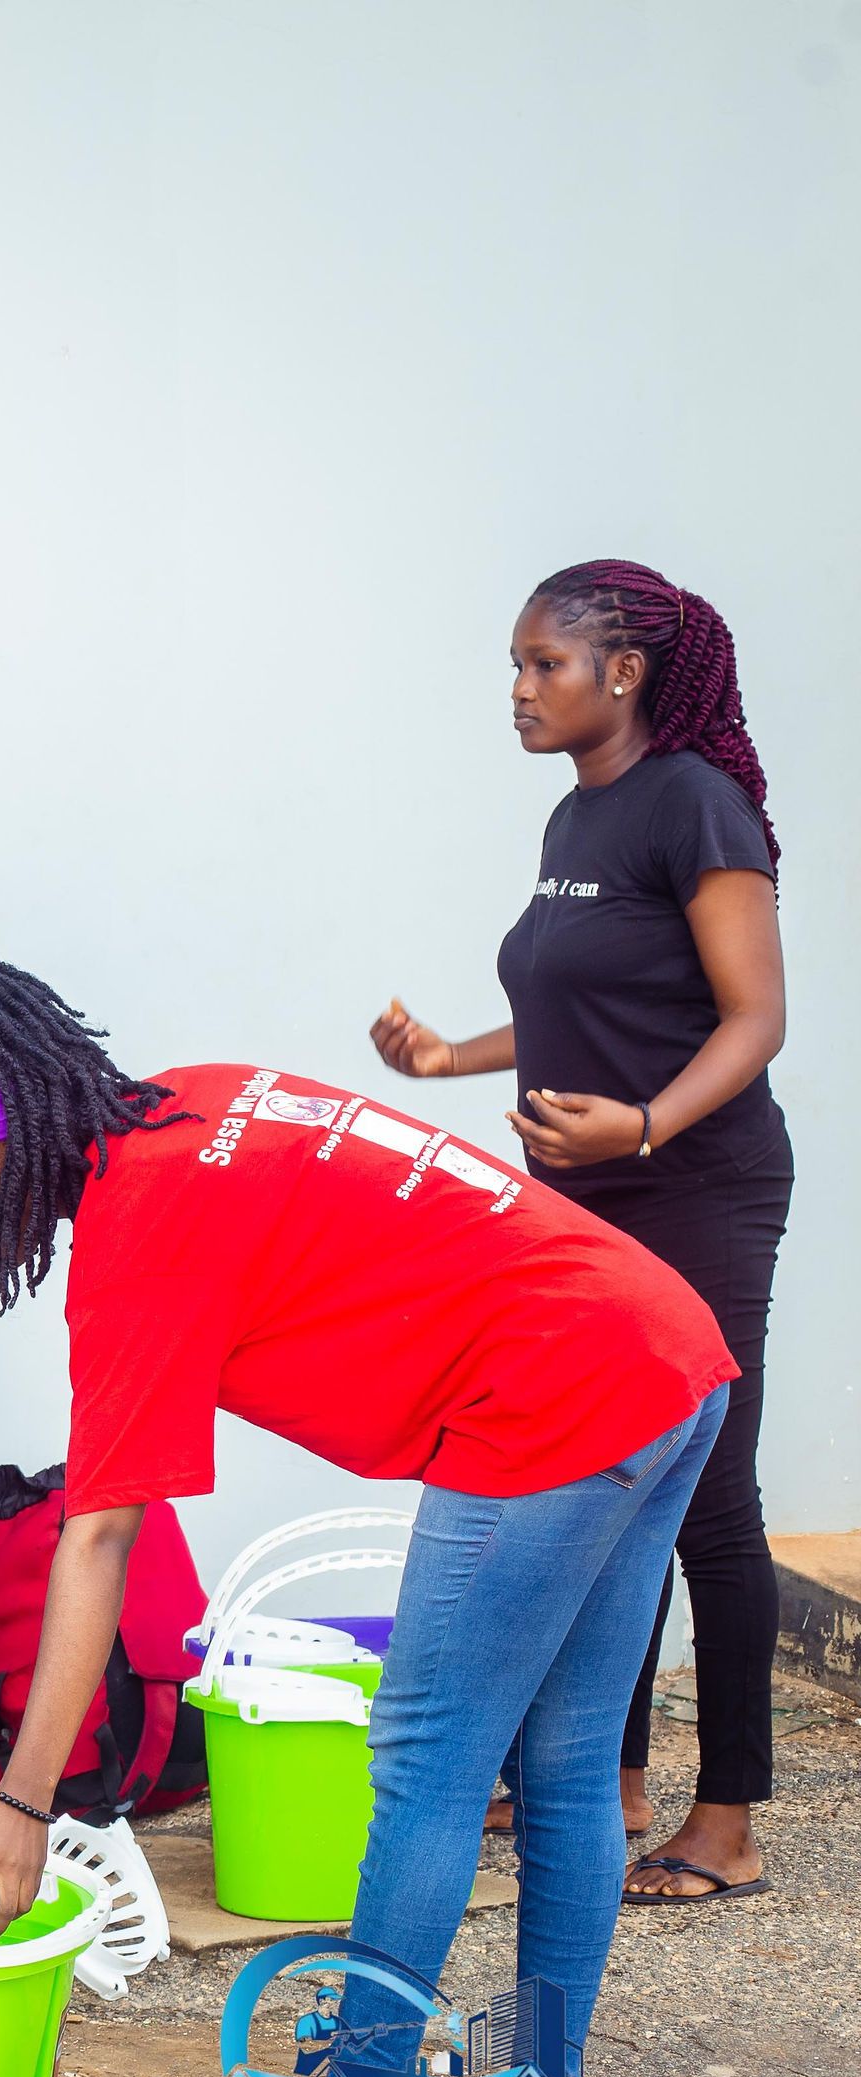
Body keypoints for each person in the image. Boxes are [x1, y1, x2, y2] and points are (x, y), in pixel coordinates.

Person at [0, 953, 733, 2077]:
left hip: (551, 1397)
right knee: (573, 1764)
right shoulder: (183, 1101)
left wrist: (22, 1798)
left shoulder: (133, 1236)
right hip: (662, 1346)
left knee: (427, 1759)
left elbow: (96, 1540)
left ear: (9, 1134)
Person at [370, 559, 787, 1907]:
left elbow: (752, 1018)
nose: (519, 689)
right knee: (599, 1472)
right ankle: (604, 1780)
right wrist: (445, 1059)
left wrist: (648, 1128)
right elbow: (576, 998)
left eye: (544, 663)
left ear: (625, 672)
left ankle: (726, 1818)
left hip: (695, 1187)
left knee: (706, 1497)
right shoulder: (578, 823)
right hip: (587, 1200)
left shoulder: (698, 807)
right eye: (515, 663)